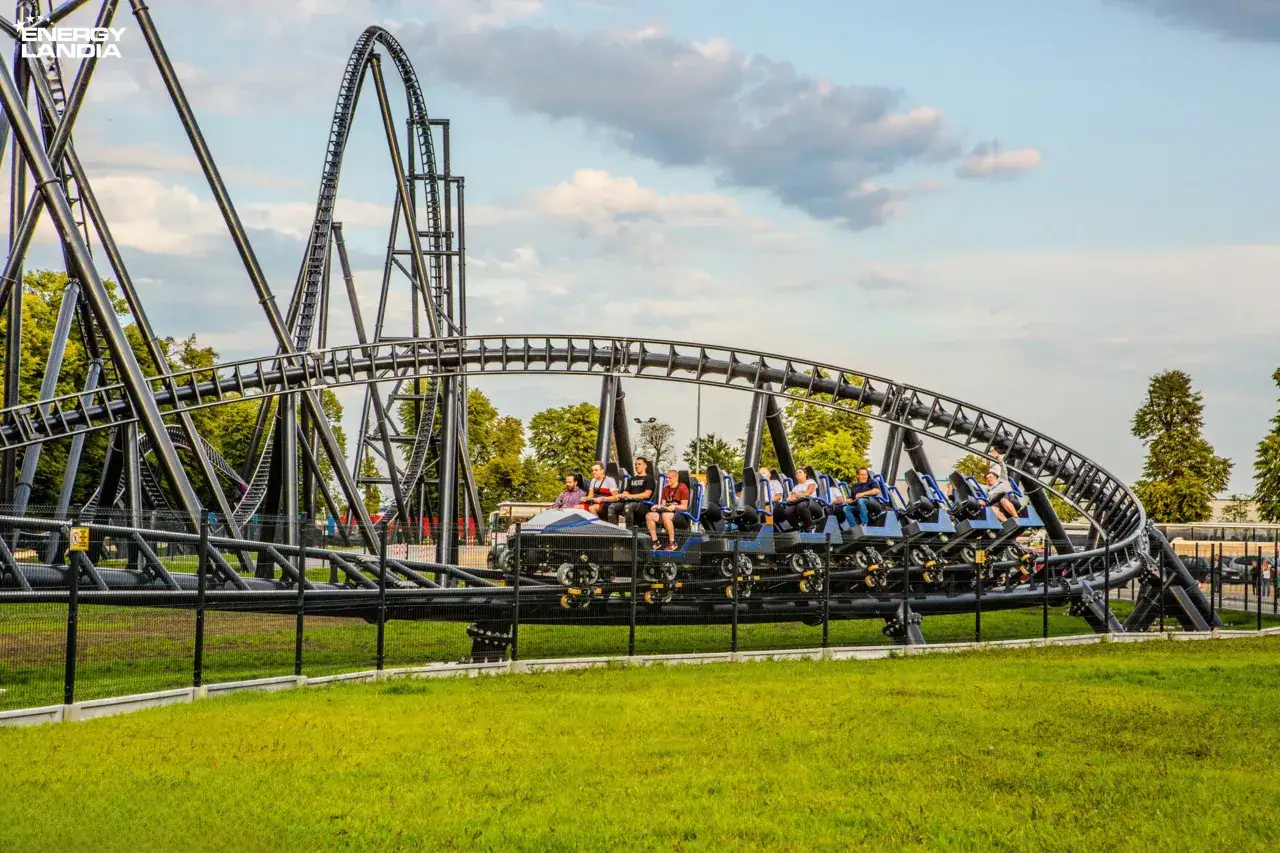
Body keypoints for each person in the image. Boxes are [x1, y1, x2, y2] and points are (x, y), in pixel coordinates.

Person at [646, 468, 690, 550]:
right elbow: (664, 505)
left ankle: (672, 543)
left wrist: (675, 506)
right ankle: (655, 542)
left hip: (681, 516)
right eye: (667, 477)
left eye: (670, 478)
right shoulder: (666, 489)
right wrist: (657, 506)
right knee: (649, 515)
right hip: (667, 513)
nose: (667, 479)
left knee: (665, 515)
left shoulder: (682, 488)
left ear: (676, 478)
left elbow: (684, 507)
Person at [604, 457, 655, 526]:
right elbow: (626, 492)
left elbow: (646, 495)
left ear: (645, 466)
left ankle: (630, 532)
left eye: (639, 464)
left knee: (628, 507)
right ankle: (614, 530)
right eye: (636, 464)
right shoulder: (632, 479)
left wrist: (630, 496)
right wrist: (621, 495)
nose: (636, 466)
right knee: (612, 507)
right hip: (629, 501)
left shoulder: (649, 479)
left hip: (642, 504)